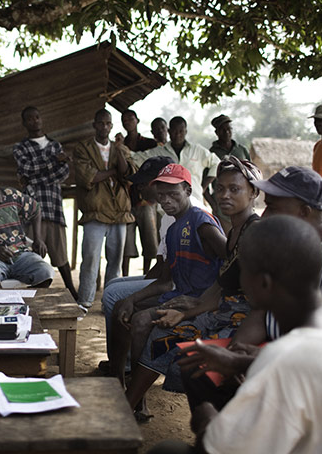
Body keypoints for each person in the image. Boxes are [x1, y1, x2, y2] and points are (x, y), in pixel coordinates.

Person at [151, 216, 322, 454]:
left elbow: (220, 445)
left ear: (262, 282)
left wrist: (205, 417)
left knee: (167, 451)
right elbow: (314, 370)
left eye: (244, 274)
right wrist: (242, 362)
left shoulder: (285, 362)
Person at [176, 166, 322, 418]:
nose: (265, 214)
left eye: (274, 207)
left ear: (304, 212)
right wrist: (237, 348)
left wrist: (256, 360)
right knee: (197, 362)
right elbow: (263, 311)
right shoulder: (286, 242)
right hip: (286, 348)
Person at [125, 157, 261, 413]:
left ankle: (132, 405)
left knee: (175, 347)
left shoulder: (255, 232)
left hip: (241, 322)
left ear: (253, 192)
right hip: (219, 311)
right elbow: (221, 285)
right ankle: (129, 405)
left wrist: (197, 309)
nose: (224, 195)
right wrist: (185, 312)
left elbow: (262, 299)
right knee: (159, 332)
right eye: (219, 189)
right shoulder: (234, 232)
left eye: (235, 189)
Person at [108, 164, 226, 408]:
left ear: (187, 190)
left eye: (174, 193)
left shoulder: (202, 222)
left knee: (141, 321)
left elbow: (229, 263)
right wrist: (132, 299)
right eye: (161, 195)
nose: (166, 200)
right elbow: (164, 282)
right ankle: (120, 379)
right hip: (178, 295)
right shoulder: (173, 228)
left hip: (200, 302)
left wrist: (204, 301)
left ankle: (137, 395)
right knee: (121, 306)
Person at [99, 156, 176, 372]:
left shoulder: (175, 213)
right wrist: (142, 286)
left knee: (114, 295)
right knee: (114, 284)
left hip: (178, 285)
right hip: (168, 278)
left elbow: (167, 277)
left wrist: (137, 294)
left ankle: (122, 364)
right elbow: (161, 263)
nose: (139, 187)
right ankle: (120, 358)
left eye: (144, 182)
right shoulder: (166, 212)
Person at [73, 108, 136, 310]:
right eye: (101, 123)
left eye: (108, 123)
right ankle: (84, 301)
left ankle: (110, 302)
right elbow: (87, 177)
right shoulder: (83, 148)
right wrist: (112, 171)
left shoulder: (120, 148)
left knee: (115, 262)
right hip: (95, 211)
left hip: (119, 212)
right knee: (90, 259)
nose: (104, 127)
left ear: (111, 125)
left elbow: (128, 175)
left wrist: (119, 152)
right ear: (94, 125)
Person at [13, 106, 77, 298]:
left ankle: (72, 293)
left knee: (61, 257)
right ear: (24, 123)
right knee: (32, 256)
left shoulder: (55, 145)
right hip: (31, 212)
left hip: (54, 208)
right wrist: (53, 161)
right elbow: (27, 168)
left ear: (42, 119)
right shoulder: (20, 148)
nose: (35, 121)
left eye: (37, 117)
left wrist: (33, 179)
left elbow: (63, 174)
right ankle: (34, 297)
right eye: (30, 119)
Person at [132, 117, 219, 208]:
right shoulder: (158, 152)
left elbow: (216, 163)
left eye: (181, 131)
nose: (177, 134)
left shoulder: (197, 150)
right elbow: (135, 157)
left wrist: (203, 187)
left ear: (186, 132)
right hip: (167, 207)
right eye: (174, 131)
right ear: (169, 131)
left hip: (195, 203)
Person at [119, 109, 159, 277]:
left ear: (137, 120)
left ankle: (147, 274)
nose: (128, 121)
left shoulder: (149, 144)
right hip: (127, 200)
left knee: (150, 241)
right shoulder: (120, 144)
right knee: (126, 244)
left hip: (146, 201)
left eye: (131, 118)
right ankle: (125, 276)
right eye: (124, 119)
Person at [208, 114, 251, 232]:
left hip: (242, 202)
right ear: (216, 132)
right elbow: (205, 182)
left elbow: (252, 177)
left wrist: (251, 199)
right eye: (222, 130)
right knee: (224, 240)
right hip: (221, 204)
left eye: (229, 129)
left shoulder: (242, 150)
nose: (226, 132)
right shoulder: (211, 153)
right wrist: (213, 204)